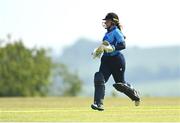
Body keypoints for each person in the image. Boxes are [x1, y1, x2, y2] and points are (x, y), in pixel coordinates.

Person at [91, 12, 140, 111]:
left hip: (117, 60)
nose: (105, 23)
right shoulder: (106, 34)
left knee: (120, 85)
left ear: (113, 22)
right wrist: (98, 51)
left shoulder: (117, 32)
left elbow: (123, 45)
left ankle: (135, 95)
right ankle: (98, 104)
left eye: (107, 21)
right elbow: (105, 46)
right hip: (106, 60)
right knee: (99, 77)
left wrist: (112, 48)